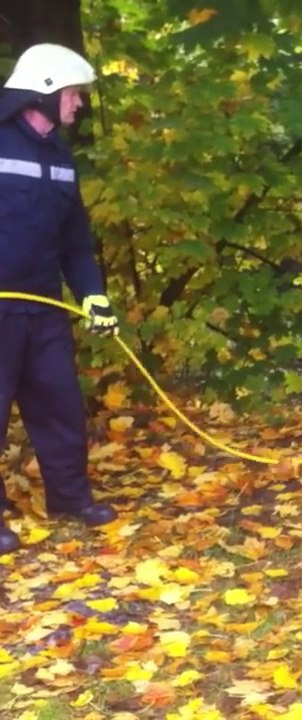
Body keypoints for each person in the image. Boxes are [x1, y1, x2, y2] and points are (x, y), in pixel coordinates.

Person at [0, 43, 121, 555]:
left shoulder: (61, 159)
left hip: (45, 308)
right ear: (46, 93)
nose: (79, 105)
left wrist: (92, 295)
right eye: (74, 94)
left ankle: (70, 500)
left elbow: (75, 241)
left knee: (60, 406)